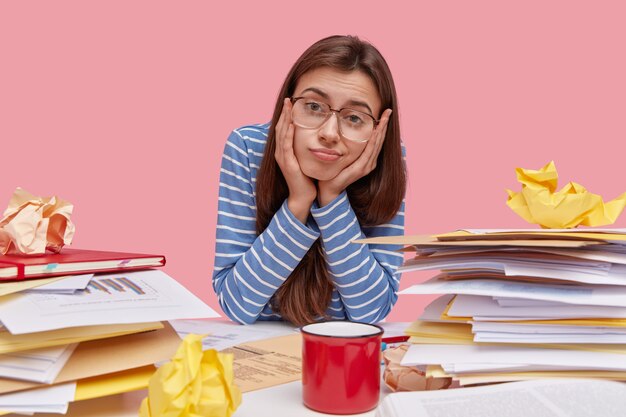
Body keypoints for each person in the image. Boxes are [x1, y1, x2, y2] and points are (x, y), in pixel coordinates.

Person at [213, 35, 406, 326]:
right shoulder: (248, 148)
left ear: (379, 130)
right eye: (314, 107)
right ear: (287, 106)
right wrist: (298, 202)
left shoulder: (383, 161)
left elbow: (371, 311)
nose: (329, 133)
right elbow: (237, 304)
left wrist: (332, 198)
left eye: (354, 118)